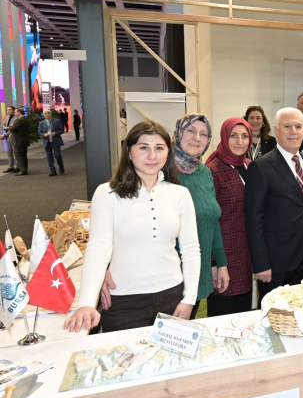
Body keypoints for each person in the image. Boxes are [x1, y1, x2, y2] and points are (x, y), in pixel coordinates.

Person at [63, 121, 201, 332]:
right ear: (129, 152)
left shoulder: (180, 194)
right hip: (122, 303)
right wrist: (86, 303)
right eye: (143, 147)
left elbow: (191, 249)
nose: (152, 156)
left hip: (173, 298)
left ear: (168, 153)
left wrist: (189, 299)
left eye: (159, 148)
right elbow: (98, 248)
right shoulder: (107, 193)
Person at [246, 107, 303, 303]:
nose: (294, 131)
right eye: (287, 126)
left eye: (298, 126)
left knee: (302, 311)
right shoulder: (261, 167)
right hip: (275, 263)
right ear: (276, 130)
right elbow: (254, 219)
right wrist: (261, 263)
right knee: (274, 314)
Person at [172, 114, 229, 316]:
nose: (197, 138)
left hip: (198, 269)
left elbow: (213, 220)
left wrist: (220, 264)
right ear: (178, 134)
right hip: (169, 276)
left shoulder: (205, 173)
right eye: (190, 130)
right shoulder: (162, 172)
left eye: (203, 134)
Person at [206, 118, 254, 316]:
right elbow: (210, 222)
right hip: (224, 254)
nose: (239, 142)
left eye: (244, 136)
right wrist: (215, 263)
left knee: (244, 314)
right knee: (223, 315)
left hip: (246, 252)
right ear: (224, 137)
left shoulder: (250, 166)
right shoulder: (213, 170)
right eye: (233, 136)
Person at [38, 108, 65, 176]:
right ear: (44, 115)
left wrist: (55, 133)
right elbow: (40, 132)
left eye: (48, 113)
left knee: (57, 155)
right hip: (47, 142)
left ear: (51, 114)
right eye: (45, 114)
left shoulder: (57, 121)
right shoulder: (41, 123)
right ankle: (52, 170)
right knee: (49, 157)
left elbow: (62, 130)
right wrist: (44, 135)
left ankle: (61, 166)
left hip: (56, 141)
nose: (47, 115)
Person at [8, 108, 30, 176]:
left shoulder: (18, 120)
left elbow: (13, 129)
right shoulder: (26, 119)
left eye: (15, 112)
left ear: (19, 112)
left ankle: (23, 170)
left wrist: (10, 126)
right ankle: (25, 169)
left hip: (18, 141)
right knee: (24, 155)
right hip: (24, 140)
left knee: (19, 155)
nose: (14, 113)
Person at [1, 106, 17, 173]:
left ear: (14, 110)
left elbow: (13, 129)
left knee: (16, 153)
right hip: (8, 138)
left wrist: (5, 135)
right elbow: (3, 124)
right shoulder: (7, 117)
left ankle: (18, 167)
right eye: (7, 110)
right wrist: (4, 127)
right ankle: (11, 167)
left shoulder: (16, 118)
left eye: (9, 110)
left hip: (13, 137)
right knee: (9, 153)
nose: (8, 111)